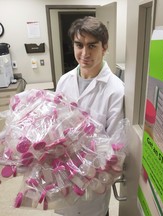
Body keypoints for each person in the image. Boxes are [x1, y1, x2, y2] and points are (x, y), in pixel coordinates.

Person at [55, 16, 124, 216]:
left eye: (92, 46)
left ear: (104, 48)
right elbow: (56, 125)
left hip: (93, 182)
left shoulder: (115, 90)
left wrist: (86, 166)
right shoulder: (64, 81)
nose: (84, 53)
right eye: (79, 45)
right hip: (63, 176)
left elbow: (115, 147)